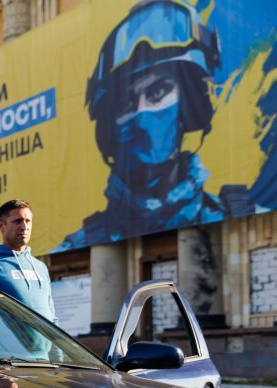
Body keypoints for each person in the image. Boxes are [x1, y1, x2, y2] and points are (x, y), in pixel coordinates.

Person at [55, 0, 249, 251]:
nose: (142, 114)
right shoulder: (76, 244)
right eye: (126, 105)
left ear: (192, 107)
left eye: (158, 92)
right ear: (108, 128)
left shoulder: (240, 209)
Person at [0, 199, 57, 324]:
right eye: (17, 221)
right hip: (4, 344)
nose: (24, 227)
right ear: (1, 226)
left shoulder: (40, 267)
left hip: (46, 344)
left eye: (28, 221)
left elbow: (52, 315)